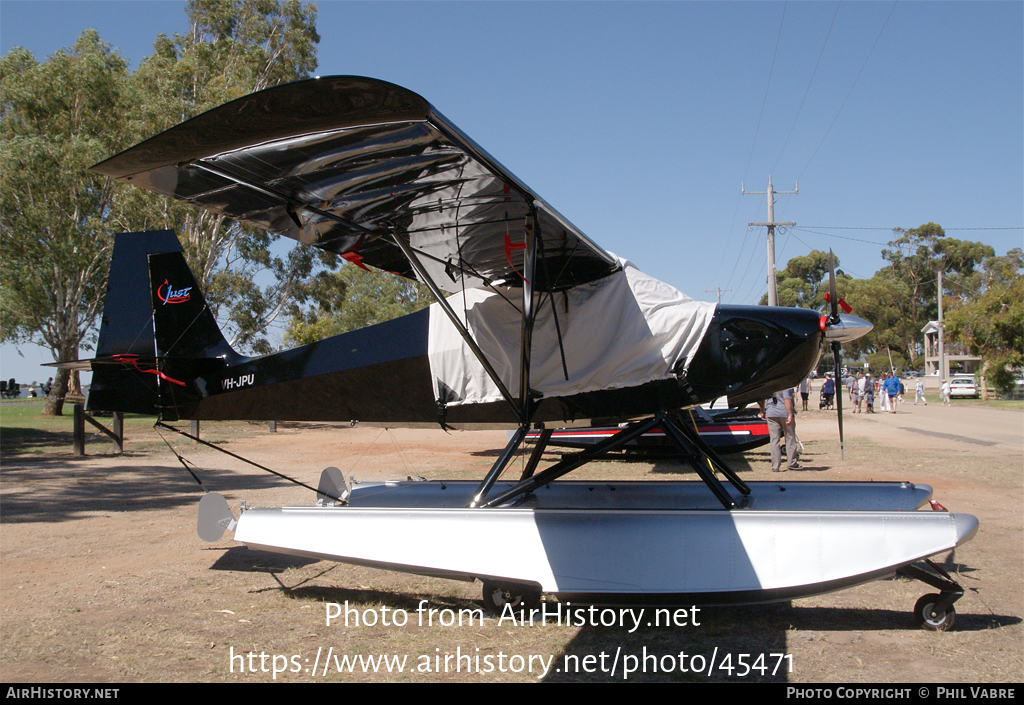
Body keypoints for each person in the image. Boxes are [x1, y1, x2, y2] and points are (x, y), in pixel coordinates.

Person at [759, 388, 800, 472]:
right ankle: (791, 463)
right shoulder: (785, 382)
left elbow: (761, 398)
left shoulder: (768, 382)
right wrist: (790, 414)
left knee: (774, 440)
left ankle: (775, 465)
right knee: (790, 437)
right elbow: (787, 398)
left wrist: (762, 411)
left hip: (771, 412)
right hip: (784, 411)